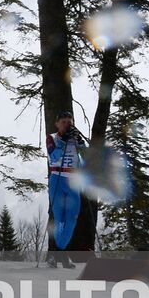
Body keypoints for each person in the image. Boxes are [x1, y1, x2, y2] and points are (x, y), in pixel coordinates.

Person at [46, 110, 86, 268]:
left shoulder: (76, 138)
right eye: (63, 121)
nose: (66, 124)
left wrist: (80, 142)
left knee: (72, 220)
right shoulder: (52, 137)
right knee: (59, 219)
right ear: (57, 124)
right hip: (57, 178)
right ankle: (55, 255)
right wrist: (63, 139)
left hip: (74, 181)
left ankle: (61, 253)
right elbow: (53, 156)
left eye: (69, 121)